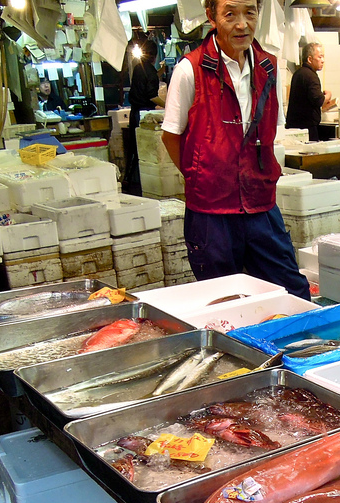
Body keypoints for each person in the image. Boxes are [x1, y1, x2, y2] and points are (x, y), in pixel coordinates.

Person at [160, 0, 310, 299]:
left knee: (290, 292)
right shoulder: (190, 69)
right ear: (211, 17)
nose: (242, 24)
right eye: (230, 14)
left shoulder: (270, 67)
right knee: (224, 300)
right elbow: (170, 136)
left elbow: (270, 132)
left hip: (260, 205)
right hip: (211, 212)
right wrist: (200, 174)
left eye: (249, 13)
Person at [123, 39, 161, 196]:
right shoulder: (150, 72)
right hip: (144, 115)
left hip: (135, 113)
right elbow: (152, 96)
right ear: (154, 56)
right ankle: (142, 184)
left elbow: (148, 80)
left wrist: (161, 71)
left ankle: (128, 181)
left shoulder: (139, 68)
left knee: (134, 148)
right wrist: (169, 105)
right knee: (144, 150)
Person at [286, 41, 335, 141]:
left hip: (293, 126)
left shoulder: (298, 73)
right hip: (307, 128)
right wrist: (328, 96)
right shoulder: (311, 76)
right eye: (320, 57)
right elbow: (318, 100)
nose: (323, 60)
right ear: (309, 59)